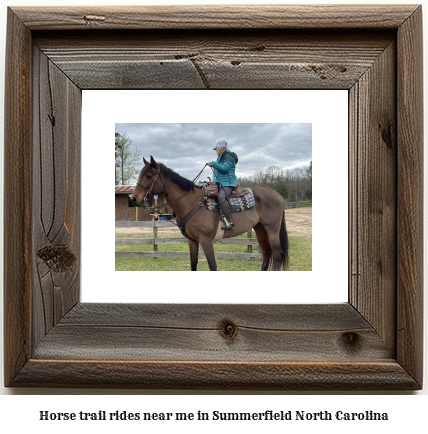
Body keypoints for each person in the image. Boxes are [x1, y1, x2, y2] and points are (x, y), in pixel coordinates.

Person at [207, 140, 238, 230]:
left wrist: (213, 163)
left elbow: (225, 169)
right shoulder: (221, 157)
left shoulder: (229, 156)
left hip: (228, 183)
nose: (216, 151)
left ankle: (230, 222)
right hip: (220, 183)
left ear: (220, 148)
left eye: (216, 149)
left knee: (221, 197)